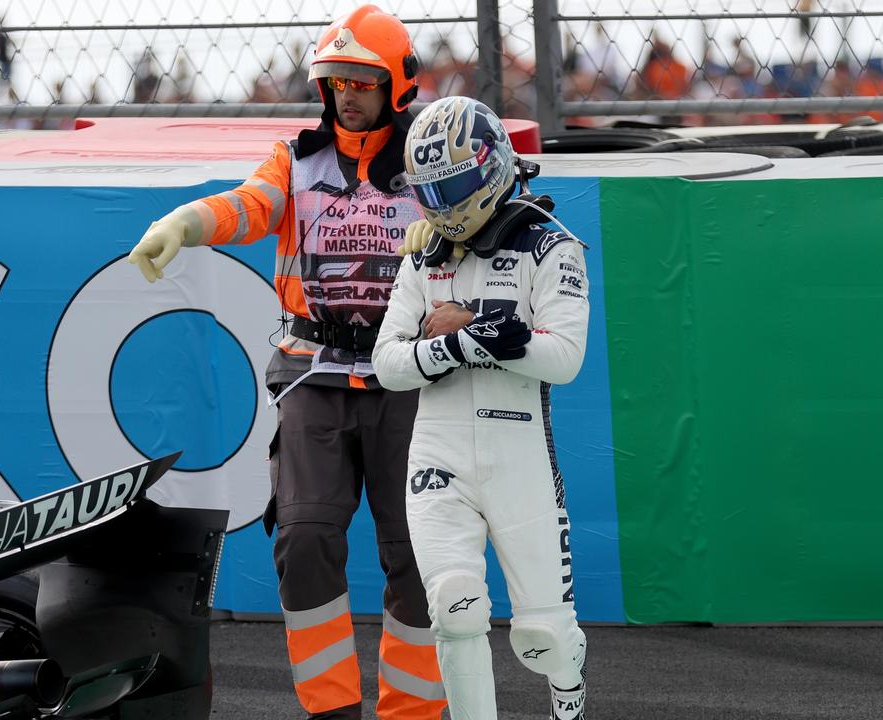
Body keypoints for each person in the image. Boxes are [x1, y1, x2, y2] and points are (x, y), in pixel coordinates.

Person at [127, 6, 445, 719]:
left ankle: (412, 712)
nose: (348, 95)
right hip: (312, 370)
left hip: (409, 375)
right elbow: (251, 205)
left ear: (396, 86)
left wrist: (452, 227)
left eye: (363, 80)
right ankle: (331, 710)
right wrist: (185, 222)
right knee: (302, 541)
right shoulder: (295, 159)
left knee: (421, 554)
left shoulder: (432, 159)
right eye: (336, 83)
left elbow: (489, 218)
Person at [372, 96, 590, 720]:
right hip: (436, 454)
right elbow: (388, 365)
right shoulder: (420, 257)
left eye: (458, 185)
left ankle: (569, 698)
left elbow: (564, 357)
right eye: (431, 190)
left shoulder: (553, 248)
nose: (443, 205)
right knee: (454, 605)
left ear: (494, 168)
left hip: (518, 455)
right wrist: (475, 339)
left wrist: (456, 334)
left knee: (546, 634)